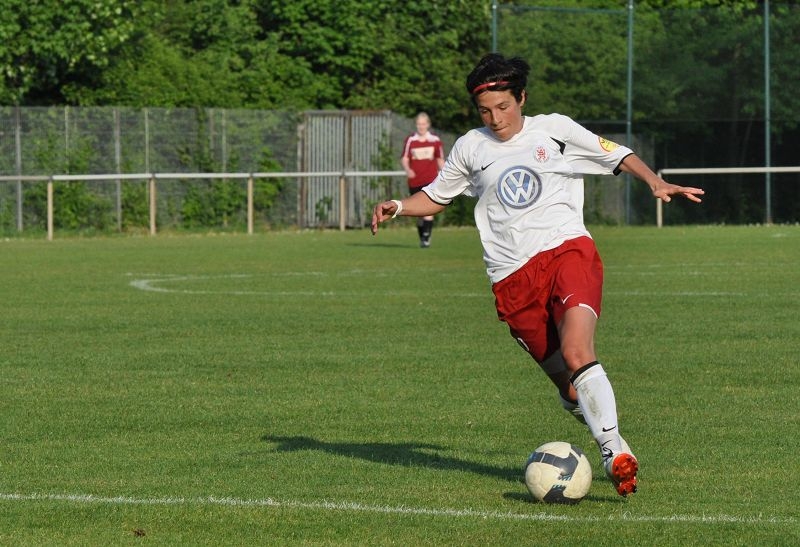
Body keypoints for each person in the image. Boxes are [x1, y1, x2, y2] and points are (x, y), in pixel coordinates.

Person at [372, 53, 704, 497]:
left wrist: (654, 181)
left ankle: (612, 454)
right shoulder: (471, 146)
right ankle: (617, 444)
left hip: (567, 252)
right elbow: (436, 195)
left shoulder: (556, 130)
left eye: (504, 107)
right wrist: (399, 206)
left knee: (576, 349)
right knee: (568, 387)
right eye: (486, 111)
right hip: (512, 279)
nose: (496, 119)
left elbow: (617, 154)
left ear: (522, 98)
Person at [400, 112, 445, 247]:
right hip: (415, 181)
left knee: (428, 209)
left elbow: (440, 159)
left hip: (430, 179)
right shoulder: (411, 140)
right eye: (419, 124)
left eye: (424, 124)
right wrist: (408, 170)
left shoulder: (435, 140)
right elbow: (404, 158)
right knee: (418, 213)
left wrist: (445, 175)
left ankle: (426, 238)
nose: (421, 126)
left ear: (428, 125)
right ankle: (423, 237)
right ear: (416, 125)